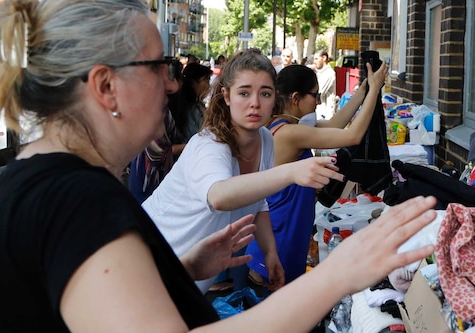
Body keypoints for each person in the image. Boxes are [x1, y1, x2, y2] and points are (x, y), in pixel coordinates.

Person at [0, 0, 437, 333]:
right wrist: (335, 277)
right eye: (158, 67)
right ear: (106, 86)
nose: (172, 84)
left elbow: (69, 327)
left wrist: (181, 267)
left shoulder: (36, 184)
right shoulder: (74, 199)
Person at [141, 48, 343, 295]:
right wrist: (291, 172)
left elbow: (259, 205)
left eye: (265, 93)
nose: (255, 103)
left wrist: (270, 253)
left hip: (188, 281)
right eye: (244, 93)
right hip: (147, 265)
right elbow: (219, 196)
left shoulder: (265, 139)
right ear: (226, 96)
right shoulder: (209, 143)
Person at [246, 61, 388, 285]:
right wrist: (376, 89)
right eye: (315, 95)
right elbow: (353, 137)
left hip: (282, 231)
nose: (318, 101)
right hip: (280, 236)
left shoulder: (282, 126)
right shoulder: (290, 133)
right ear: (295, 98)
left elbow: (335, 124)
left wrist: (364, 90)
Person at [170, 62, 211, 140]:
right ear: (194, 83)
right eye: (206, 80)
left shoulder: (193, 104)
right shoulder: (190, 108)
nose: (209, 85)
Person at [313, 49, 337, 120]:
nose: (314, 61)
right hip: (319, 113)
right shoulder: (319, 72)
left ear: (324, 58)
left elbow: (319, 91)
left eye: (316, 59)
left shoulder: (329, 73)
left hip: (325, 114)